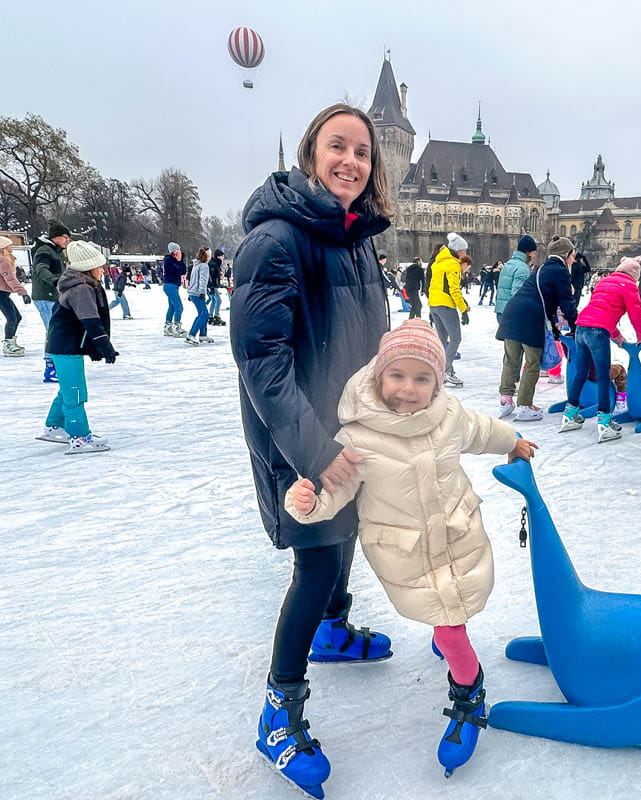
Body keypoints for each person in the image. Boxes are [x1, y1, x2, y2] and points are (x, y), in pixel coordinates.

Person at [286, 320, 536, 777]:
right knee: (447, 621)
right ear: (378, 376)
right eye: (397, 376)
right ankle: (470, 686)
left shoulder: (449, 415)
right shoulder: (357, 438)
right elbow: (332, 494)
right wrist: (307, 502)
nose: (408, 388)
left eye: (422, 378)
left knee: (450, 623)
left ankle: (464, 686)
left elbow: (481, 431)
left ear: (437, 382)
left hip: (459, 539)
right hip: (406, 556)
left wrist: (513, 441)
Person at [230, 103, 395, 799]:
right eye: (338, 146)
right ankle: (278, 711)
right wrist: (313, 450)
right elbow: (261, 361)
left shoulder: (353, 236)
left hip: (355, 435)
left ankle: (332, 630)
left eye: (362, 151)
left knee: (347, 537)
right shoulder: (275, 239)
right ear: (310, 154)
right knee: (319, 557)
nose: (350, 161)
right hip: (303, 441)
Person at [36, 240, 117, 454]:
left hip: (64, 344)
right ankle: (79, 437)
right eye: (99, 265)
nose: (103, 269)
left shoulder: (80, 283)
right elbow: (90, 321)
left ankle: (54, 426)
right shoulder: (81, 289)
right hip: (66, 346)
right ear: (88, 267)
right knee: (75, 392)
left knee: (67, 389)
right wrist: (105, 347)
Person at [559, 256, 641, 442]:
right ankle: (605, 421)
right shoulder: (629, 286)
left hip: (581, 327)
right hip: (597, 332)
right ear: (634, 275)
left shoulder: (605, 281)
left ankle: (569, 415)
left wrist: (618, 338)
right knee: (602, 376)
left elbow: (601, 312)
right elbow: (636, 316)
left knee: (581, 373)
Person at [496, 236, 579, 422]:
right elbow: (567, 304)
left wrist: (555, 330)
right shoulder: (559, 271)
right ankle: (525, 405)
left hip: (512, 312)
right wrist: (577, 326)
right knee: (532, 362)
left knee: (511, 359)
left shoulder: (541, 268)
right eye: (573, 255)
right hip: (529, 317)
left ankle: (506, 400)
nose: (574, 259)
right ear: (566, 254)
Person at [427, 233, 472, 387]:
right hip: (446, 305)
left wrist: (431, 306)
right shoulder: (452, 264)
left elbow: (431, 285)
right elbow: (454, 290)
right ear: (458, 250)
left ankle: (444, 370)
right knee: (455, 338)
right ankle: (445, 371)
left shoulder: (438, 262)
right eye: (464, 251)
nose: (465, 254)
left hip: (434, 304)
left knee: (442, 340)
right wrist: (464, 309)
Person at [31, 221, 72, 383]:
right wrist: (54, 281)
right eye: (65, 237)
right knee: (53, 331)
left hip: (52, 296)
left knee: (56, 330)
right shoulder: (44, 250)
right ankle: (51, 367)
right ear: (56, 237)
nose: (67, 240)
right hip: (45, 296)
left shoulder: (55, 251)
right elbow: (40, 269)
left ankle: (56, 364)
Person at [0, 235, 31, 357]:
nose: (12, 247)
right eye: (10, 245)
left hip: (0, 293)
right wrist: (23, 293)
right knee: (12, 318)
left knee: (17, 317)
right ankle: (8, 344)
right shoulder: (2, 259)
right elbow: (10, 279)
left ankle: (11, 341)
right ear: (4, 247)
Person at [495, 235, 537, 324]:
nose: (534, 255)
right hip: (513, 314)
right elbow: (518, 294)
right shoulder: (523, 268)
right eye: (534, 252)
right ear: (528, 252)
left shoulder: (508, 264)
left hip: (501, 310)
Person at [185, 246, 213, 345]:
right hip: (197, 293)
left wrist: (190, 291)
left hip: (193, 292)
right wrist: (202, 292)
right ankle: (191, 334)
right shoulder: (204, 266)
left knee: (203, 313)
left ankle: (203, 334)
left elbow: (192, 279)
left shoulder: (196, 264)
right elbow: (202, 280)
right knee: (204, 314)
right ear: (207, 255)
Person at [162, 243, 187, 337]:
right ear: (173, 251)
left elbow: (183, 271)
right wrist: (179, 261)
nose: (179, 252)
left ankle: (168, 327)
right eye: (177, 250)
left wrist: (181, 260)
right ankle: (177, 327)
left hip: (174, 286)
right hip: (170, 285)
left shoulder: (176, 260)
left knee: (172, 306)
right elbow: (177, 271)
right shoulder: (168, 260)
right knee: (179, 307)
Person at [207, 247, 226, 326]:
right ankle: (216, 316)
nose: (223, 258)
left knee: (214, 300)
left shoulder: (215, 263)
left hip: (213, 285)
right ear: (218, 256)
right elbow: (211, 276)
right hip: (212, 285)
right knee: (219, 300)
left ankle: (210, 316)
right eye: (222, 256)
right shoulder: (213, 264)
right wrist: (212, 287)